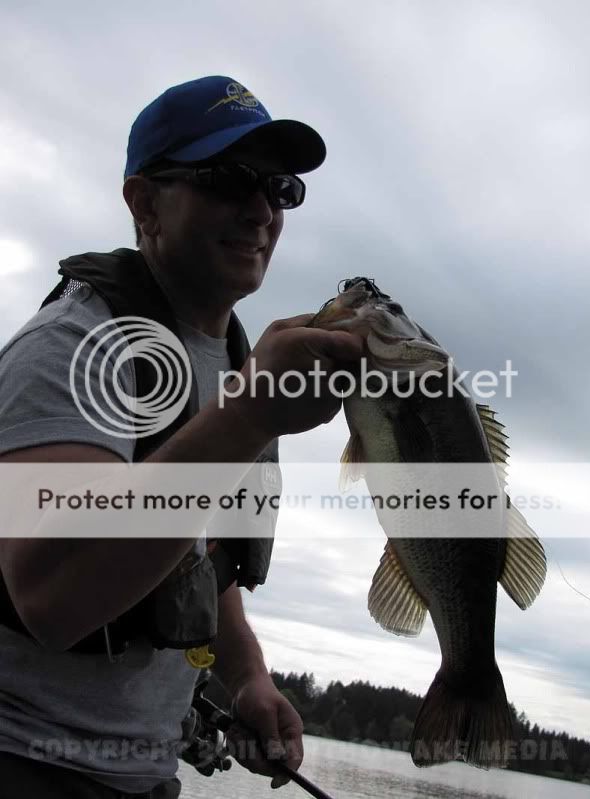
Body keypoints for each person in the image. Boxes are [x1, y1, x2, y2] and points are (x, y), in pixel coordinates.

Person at [0, 76, 362, 798]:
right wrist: (250, 415)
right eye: (229, 180)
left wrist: (249, 676)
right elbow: (50, 596)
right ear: (144, 204)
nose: (260, 209)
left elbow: (201, 561)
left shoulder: (233, 361)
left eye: (279, 188)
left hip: (146, 774)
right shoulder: (74, 346)